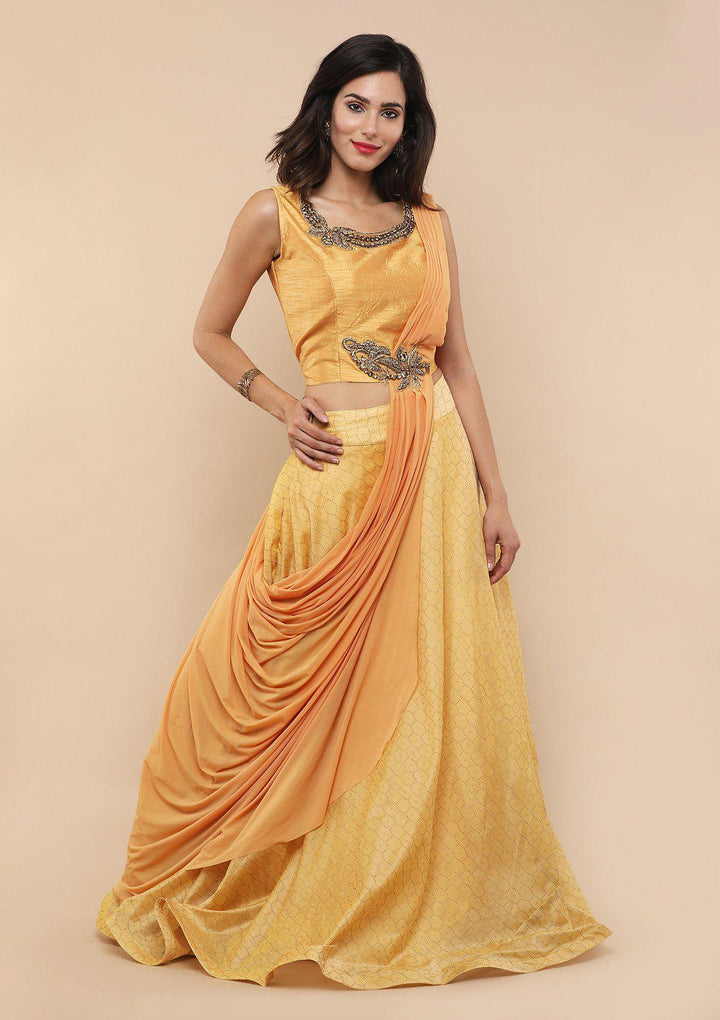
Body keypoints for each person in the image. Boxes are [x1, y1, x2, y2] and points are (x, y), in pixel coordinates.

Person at [96, 33, 612, 990]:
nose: (372, 126)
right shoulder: (274, 213)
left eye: (392, 111)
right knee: (300, 679)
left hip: (432, 465)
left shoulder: (428, 225)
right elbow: (208, 332)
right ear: (325, 107)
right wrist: (279, 403)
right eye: (357, 104)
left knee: (426, 684)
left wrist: (498, 493)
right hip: (335, 470)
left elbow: (459, 364)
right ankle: (274, 874)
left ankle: (399, 883)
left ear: (409, 125)